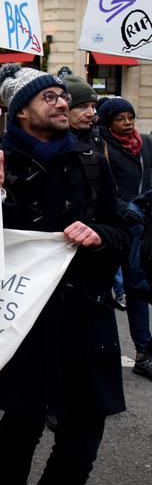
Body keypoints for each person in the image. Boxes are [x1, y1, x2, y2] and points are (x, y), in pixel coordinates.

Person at [0, 63, 126, 485]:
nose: (62, 102)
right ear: (21, 111)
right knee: (23, 421)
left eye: (63, 96)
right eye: (49, 97)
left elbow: (120, 230)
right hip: (26, 321)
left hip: (86, 319)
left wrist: (99, 236)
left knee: (83, 437)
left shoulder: (91, 161)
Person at [96, 97, 152, 379]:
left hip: (141, 227)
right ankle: (99, 349)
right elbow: (102, 187)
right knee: (103, 288)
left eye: (130, 117)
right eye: (121, 119)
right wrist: (124, 209)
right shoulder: (102, 145)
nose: (128, 123)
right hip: (114, 226)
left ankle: (144, 351)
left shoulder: (145, 144)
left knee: (138, 288)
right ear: (109, 123)